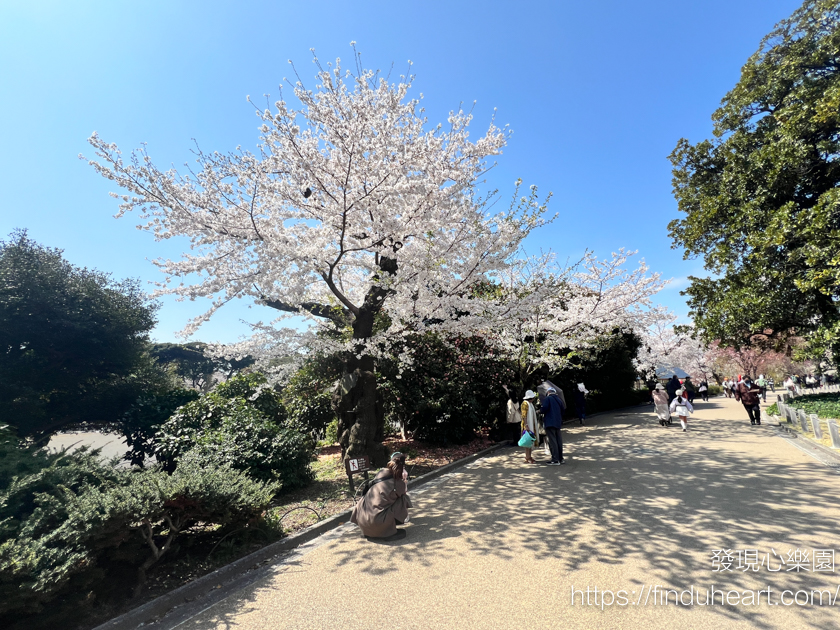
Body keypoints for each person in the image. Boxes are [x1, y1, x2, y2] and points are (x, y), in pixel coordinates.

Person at [350, 452, 413, 540]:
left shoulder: (380, 474)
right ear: (403, 468)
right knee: (404, 498)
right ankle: (386, 530)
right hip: (377, 522)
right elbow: (404, 492)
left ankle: (370, 530)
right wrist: (404, 479)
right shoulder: (398, 483)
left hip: (363, 521)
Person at [541, 387, 566, 465]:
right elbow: (563, 410)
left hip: (549, 422)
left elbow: (544, 408)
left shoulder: (548, 399)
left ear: (548, 392)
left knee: (552, 441)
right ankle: (560, 458)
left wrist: (539, 411)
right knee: (558, 440)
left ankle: (555, 459)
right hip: (558, 422)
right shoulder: (559, 399)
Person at [520, 390, 539, 464]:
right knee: (528, 441)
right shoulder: (525, 404)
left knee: (530, 441)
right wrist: (526, 425)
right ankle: (527, 456)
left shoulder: (529, 404)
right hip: (527, 425)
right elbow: (524, 415)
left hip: (530, 425)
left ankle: (529, 456)